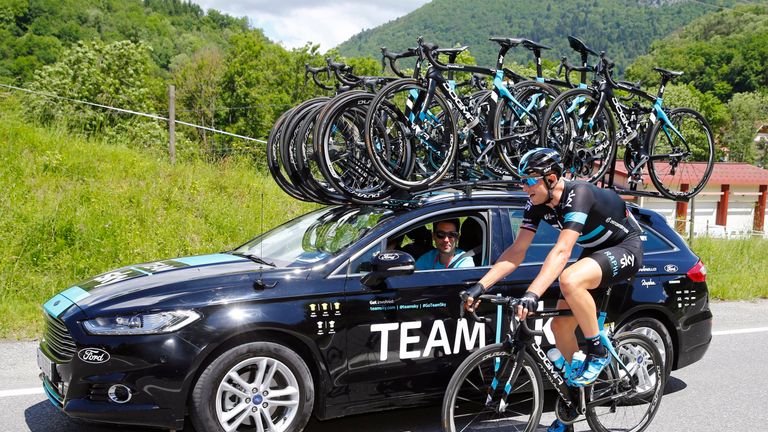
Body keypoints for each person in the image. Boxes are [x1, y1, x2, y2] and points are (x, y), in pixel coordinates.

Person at [463, 148, 643, 432]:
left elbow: (562, 251)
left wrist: (532, 294)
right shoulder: (534, 204)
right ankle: (572, 406)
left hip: (625, 247)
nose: (524, 187)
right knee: (559, 328)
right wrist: (479, 286)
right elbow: (516, 251)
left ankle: (597, 351)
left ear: (551, 178)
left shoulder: (579, 194)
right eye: (522, 180)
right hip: (596, 252)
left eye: (529, 180)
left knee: (570, 279)